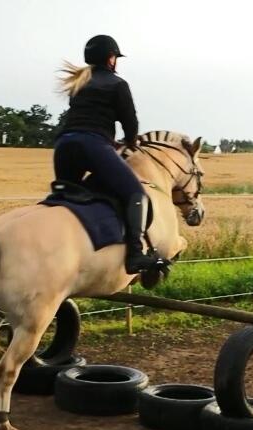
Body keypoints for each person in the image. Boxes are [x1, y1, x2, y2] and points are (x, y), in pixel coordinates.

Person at [54, 34, 160, 274]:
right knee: (135, 193)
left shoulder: (79, 84)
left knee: (67, 198)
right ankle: (135, 254)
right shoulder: (117, 84)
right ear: (111, 59)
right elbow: (129, 122)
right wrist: (131, 142)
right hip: (93, 145)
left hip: (64, 146)